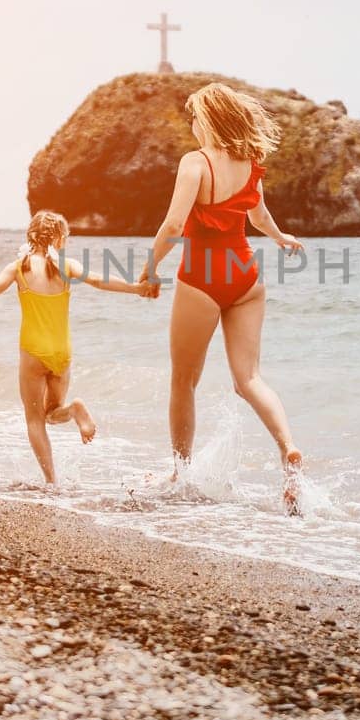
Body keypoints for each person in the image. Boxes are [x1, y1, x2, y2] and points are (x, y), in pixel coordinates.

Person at [139, 82, 307, 513]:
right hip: (246, 274)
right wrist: (281, 237)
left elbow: (174, 225)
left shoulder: (195, 163)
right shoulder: (251, 163)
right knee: (249, 379)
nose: (192, 124)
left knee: (183, 380)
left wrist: (150, 268)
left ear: (208, 119)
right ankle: (288, 449)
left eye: (194, 116)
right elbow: (260, 216)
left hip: (202, 276)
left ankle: (180, 472)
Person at [0, 211, 152, 486]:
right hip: (62, 351)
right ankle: (74, 409)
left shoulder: (18, 268)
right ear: (59, 237)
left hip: (32, 352)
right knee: (54, 412)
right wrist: (136, 288)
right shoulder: (67, 266)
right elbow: (100, 281)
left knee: (36, 420)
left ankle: (51, 481)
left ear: (31, 236)